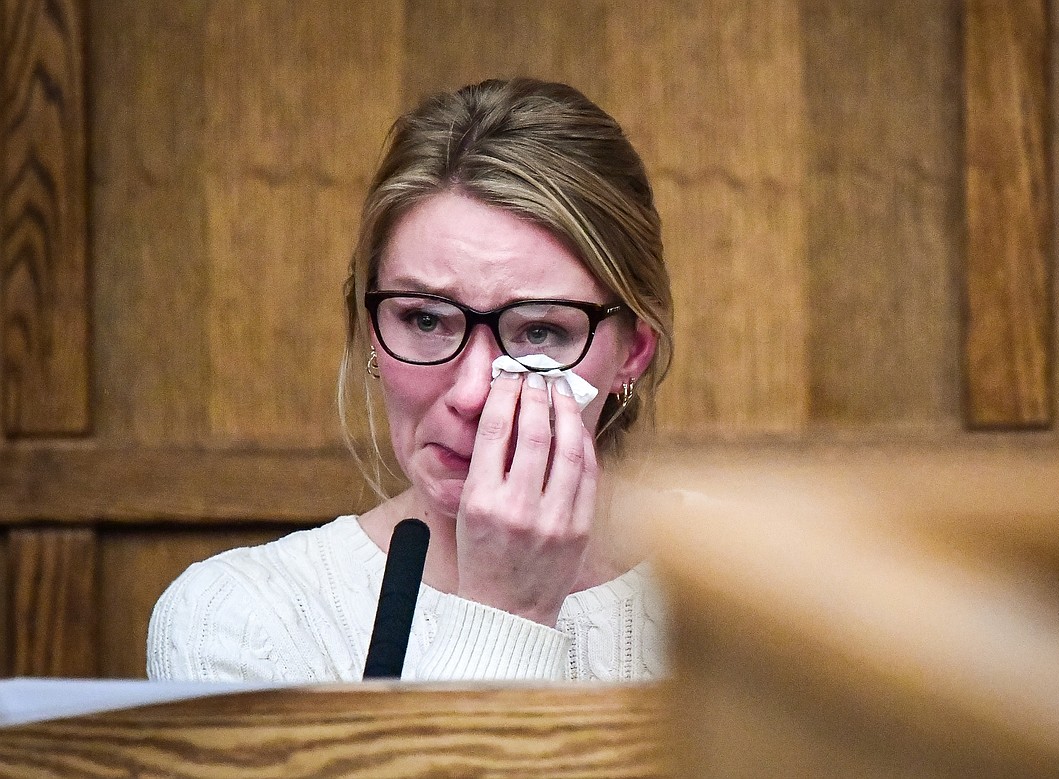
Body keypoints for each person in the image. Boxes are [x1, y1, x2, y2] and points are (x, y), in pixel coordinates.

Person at [147, 77, 674, 682]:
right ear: (371, 329)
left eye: (538, 333)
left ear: (632, 351)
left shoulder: (753, 607)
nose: (473, 393)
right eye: (425, 319)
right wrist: (506, 614)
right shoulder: (240, 623)